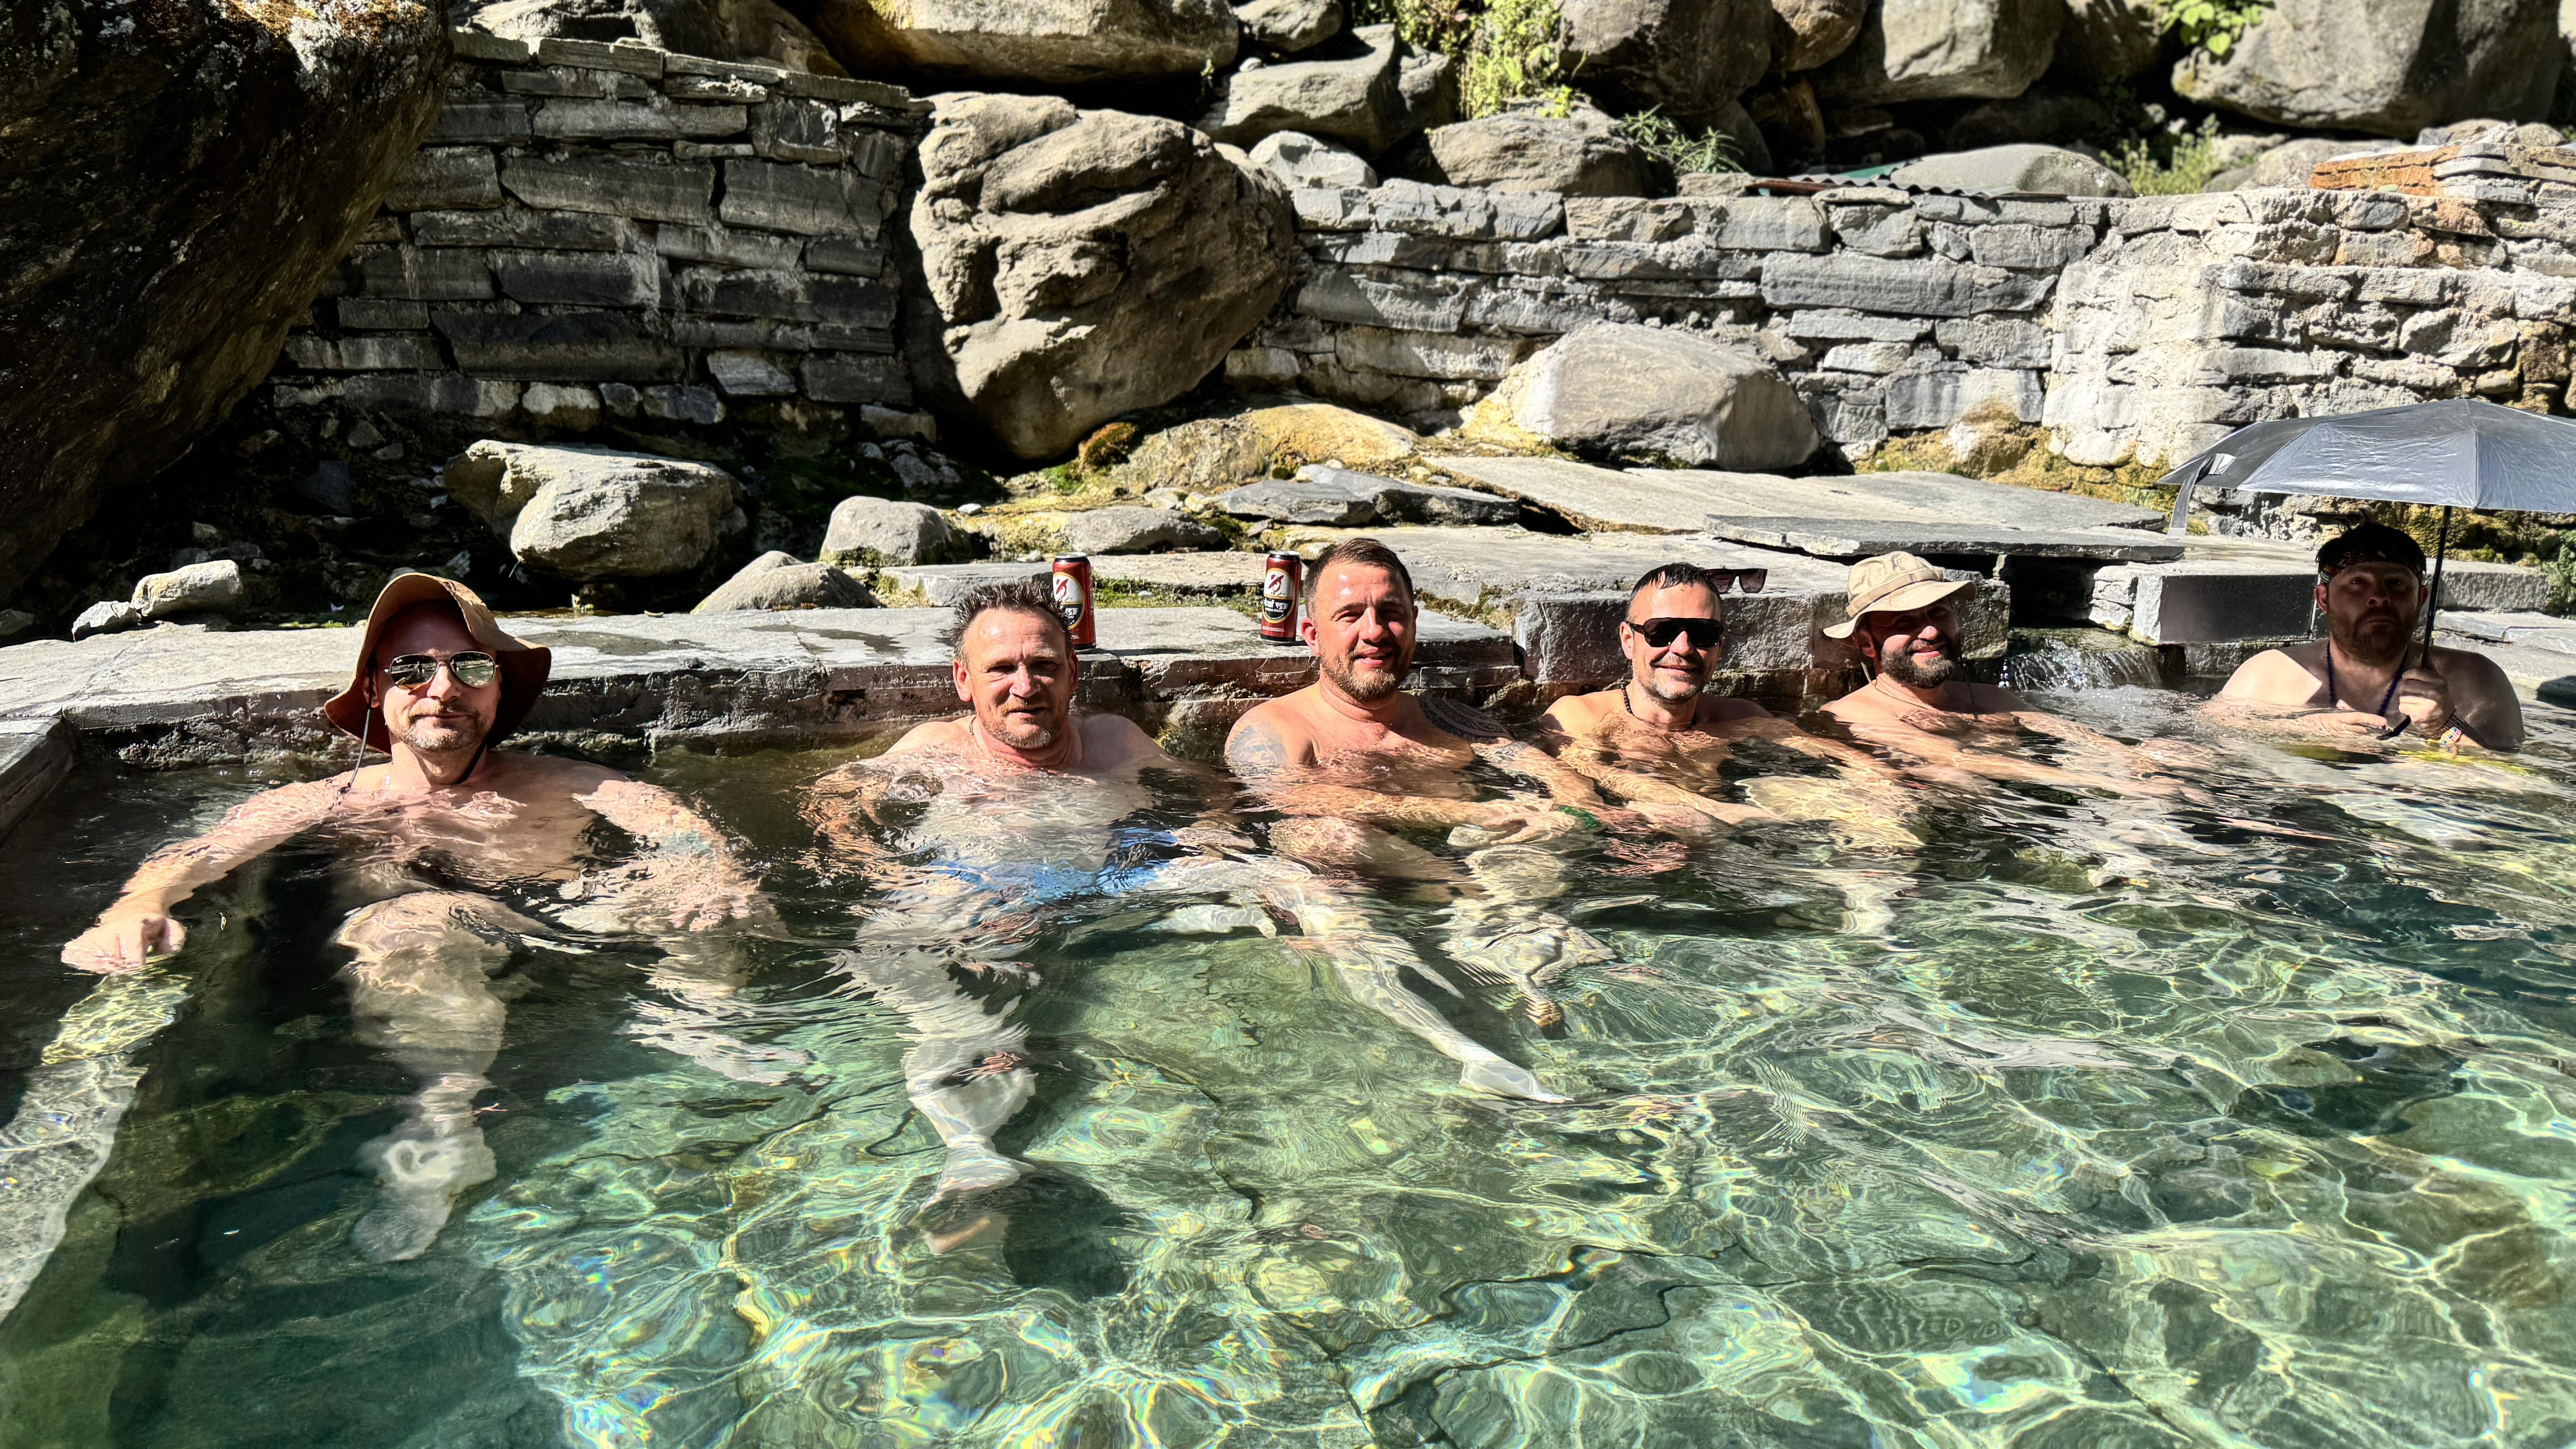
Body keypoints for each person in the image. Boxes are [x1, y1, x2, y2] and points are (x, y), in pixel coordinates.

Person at [61, 575, 762, 1261]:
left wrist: (707, 871)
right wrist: (138, 905)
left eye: (470, 667)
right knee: (409, 921)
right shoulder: (327, 800)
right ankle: (446, 1119)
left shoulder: (567, 782)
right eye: (412, 669)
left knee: (685, 887)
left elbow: (677, 825)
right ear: (374, 688)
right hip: (431, 960)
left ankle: (705, 1025)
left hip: (574, 940)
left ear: (498, 687)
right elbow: (201, 853)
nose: (443, 688)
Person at [803, 580, 1562, 1206]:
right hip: (979, 893)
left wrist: (1214, 841)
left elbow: (1204, 793)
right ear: (964, 680)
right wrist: (877, 868)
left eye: (1043, 665)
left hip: (1118, 878)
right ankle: (971, 1153)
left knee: (1301, 883)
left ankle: (1468, 1052)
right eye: (1002, 669)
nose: (1025, 686)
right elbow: (830, 802)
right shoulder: (932, 752)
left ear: (1073, 673)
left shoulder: (1115, 741)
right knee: (924, 974)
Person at [1225, 537, 1629, 1037]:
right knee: (1320, 835)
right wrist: (1468, 814)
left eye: (1391, 613)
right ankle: (1491, 943)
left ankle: (1524, 957)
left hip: (1480, 876)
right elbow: (1287, 798)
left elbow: (1553, 775)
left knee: (1550, 822)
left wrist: (1580, 807)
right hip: (1359, 894)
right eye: (1350, 616)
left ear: (1414, 622)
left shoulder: (1452, 722)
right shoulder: (1276, 727)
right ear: (1312, 634)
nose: (1375, 631)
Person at [1536, 561, 1920, 849]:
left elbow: (1828, 751)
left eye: (1703, 633)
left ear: (1719, 646)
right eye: (1662, 631)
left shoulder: (1741, 717)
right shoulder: (1578, 715)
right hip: (1618, 848)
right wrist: (1724, 813)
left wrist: (1884, 783)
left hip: (1719, 853)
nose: (1683, 648)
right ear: (1628, 640)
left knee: (1878, 822)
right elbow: (1591, 776)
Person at [1819, 552, 2194, 797]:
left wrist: (2142, 759)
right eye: (1903, 622)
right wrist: (2111, 783)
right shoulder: (1854, 713)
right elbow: (1957, 760)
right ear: (1867, 644)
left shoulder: (1992, 699)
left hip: (2015, 810)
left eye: (1939, 613)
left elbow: (2080, 739)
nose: (1931, 631)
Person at [2210, 522, 2524, 751]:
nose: (2379, 597)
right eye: (2358, 583)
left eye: (2397, 584)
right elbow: (2205, 744)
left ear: (2421, 598)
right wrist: (2302, 730)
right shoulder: (2270, 674)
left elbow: (2511, 783)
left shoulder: (2475, 681)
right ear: (2323, 599)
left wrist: (2444, 727)